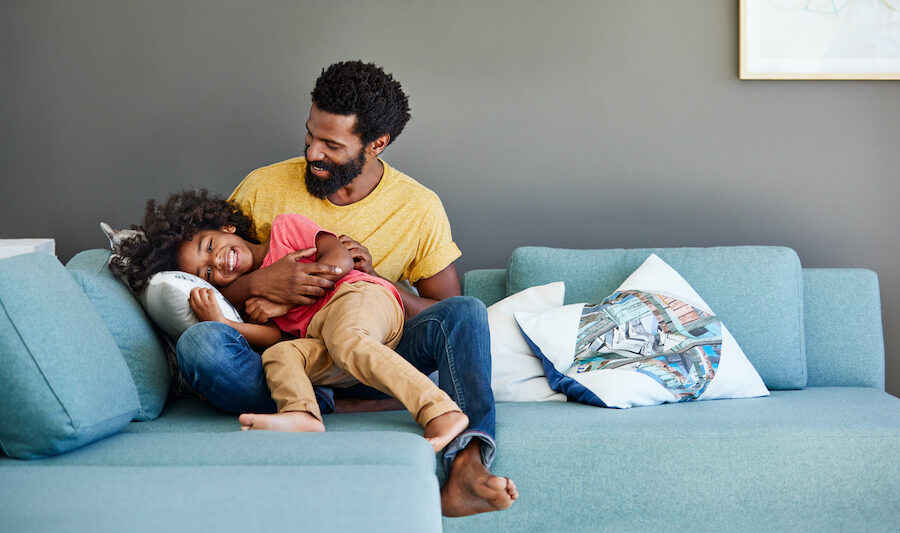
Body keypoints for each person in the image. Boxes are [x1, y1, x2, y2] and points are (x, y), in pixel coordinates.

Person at [176, 60, 517, 516]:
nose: (312, 153)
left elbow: (443, 312)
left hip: (377, 340)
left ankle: (467, 465)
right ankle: (323, 405)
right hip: (301, 354)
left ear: (376, 144)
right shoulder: (263, 187)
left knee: (467, 312)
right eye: (309, 135)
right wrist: (261, 282)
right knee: (202, 347)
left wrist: (373, 281)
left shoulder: (418, 207)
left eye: (331, 144)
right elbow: (220, 270)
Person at [112, 190, 469, 453]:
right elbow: (273, 338)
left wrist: (285, 296)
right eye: (206, 272)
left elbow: (340, 259)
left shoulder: (285, 231)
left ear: (227, 226)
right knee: (279, 358)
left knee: (348, 339)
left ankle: (439, 410)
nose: (217, 262)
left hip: (361, 297)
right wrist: (223, 323)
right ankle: (304, 415)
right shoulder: (250, 299)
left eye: (209, 246)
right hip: (324, 335)